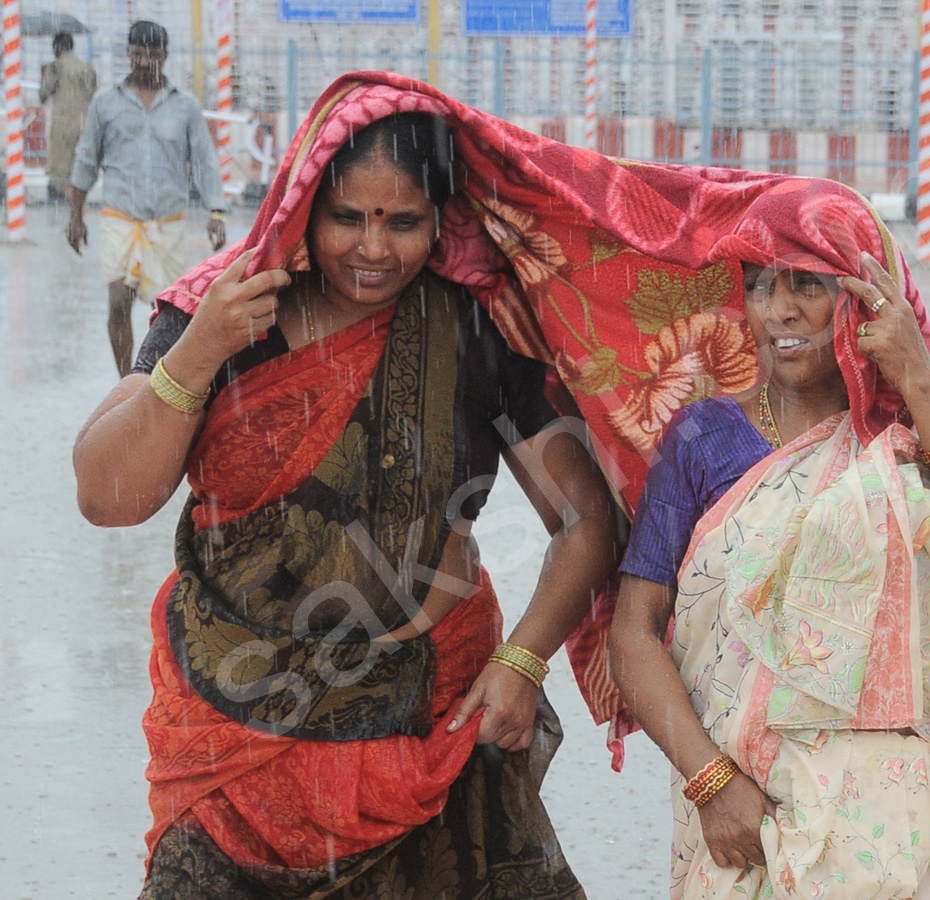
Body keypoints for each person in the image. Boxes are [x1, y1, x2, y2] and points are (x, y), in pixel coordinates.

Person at [73, 91, 620, 896]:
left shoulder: (473, 331)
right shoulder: (223, 315)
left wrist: (523, 661)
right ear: (302, 210)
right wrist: (197, 353)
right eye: (346, 218)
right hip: (232, 743)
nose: (374, 248)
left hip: (425, 737)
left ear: (442, 220)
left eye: (403, 222)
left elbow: (584, 521)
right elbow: (106, 494)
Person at [609, 181, 930, 899]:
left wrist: (917, 378)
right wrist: (711, 782)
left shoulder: (919, 432)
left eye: (807, 285)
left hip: (896, 829)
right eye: (758, 287)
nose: (778, 310)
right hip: (744, 817)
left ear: (866, 296)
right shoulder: (703, 439)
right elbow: (632, 633)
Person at [67, 20, 227, 378]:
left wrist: (216, 211)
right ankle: (127, 383)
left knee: (173, 312)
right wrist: (75, 214)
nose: (143, 62)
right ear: (128, 55)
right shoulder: (105, 103)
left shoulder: (185, 107)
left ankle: (164, 382)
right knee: (118, 302)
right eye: (137, 54)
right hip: (120, 218)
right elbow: (86, 159)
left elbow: (203, 162)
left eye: (152, 55)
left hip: (167, 224)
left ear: (165, 57)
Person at [37, 30, 96, 202]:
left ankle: (61, 199)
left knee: (60, 166)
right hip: (83, 123)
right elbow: (94, 94)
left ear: (57, 47)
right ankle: (78, 198)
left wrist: (43, 75)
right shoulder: (86, 67)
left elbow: (43, 96)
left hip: (63, 124)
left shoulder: (55, 67)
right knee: (79, 163)